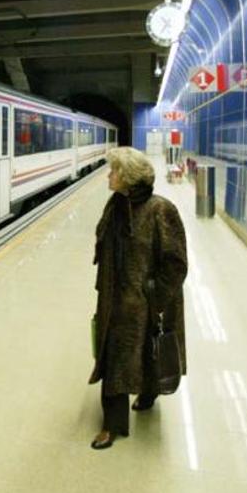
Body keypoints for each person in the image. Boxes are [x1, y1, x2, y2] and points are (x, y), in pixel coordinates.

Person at [89, 146, 188, 449]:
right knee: (114, 358)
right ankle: (112, 424)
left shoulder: (161, 210)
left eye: (114, 170)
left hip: (148, 301)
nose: (109, 175)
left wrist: (154, 294)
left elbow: (176, 263)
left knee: (150, 351)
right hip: (115, 299)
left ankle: (150, 392)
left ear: (128, 177)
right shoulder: (115, 205)